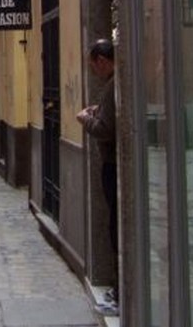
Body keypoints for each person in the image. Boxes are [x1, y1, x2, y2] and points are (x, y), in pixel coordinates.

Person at [76, 38, 119, 317]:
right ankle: (119, 288)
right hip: (113, 163)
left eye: (94, 67)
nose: (95, 72)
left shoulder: (113, 86)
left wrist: (85, 119)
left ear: (102, 61)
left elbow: (105, 129)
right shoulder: (114, 84)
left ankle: (120, 291)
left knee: (115, 225)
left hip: (113, 165)